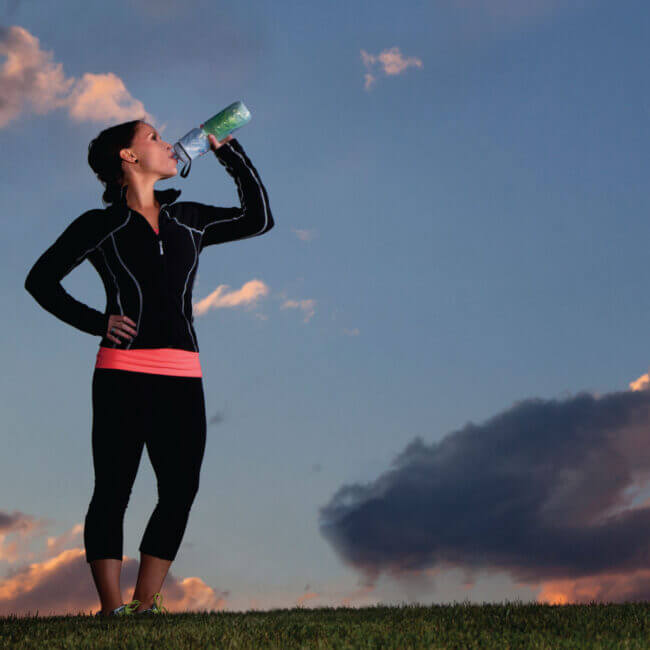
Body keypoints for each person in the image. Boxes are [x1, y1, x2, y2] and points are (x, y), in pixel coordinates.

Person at [24, 118, 274, 616]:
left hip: (183, 375)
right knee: (113, 488)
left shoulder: (189, 219)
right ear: (129, 157)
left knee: (180, 489)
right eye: (153, 138)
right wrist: (98, 322)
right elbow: (41, 281)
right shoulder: (100, 225)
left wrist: (231, 155)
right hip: (122, 372)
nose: (166, 143)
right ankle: (112, 611)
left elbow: (258, 219)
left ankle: (144, 608)